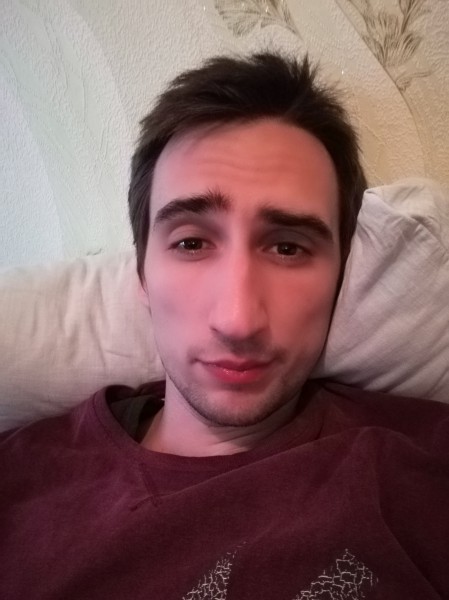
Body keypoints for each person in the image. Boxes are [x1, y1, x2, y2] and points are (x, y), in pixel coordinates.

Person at [0, 52, 448, 599]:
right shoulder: (17, 479)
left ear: (341, 276)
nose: (238, 321)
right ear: (142, 275)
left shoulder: (424, 471)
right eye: (191, 242)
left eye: (288, 247)